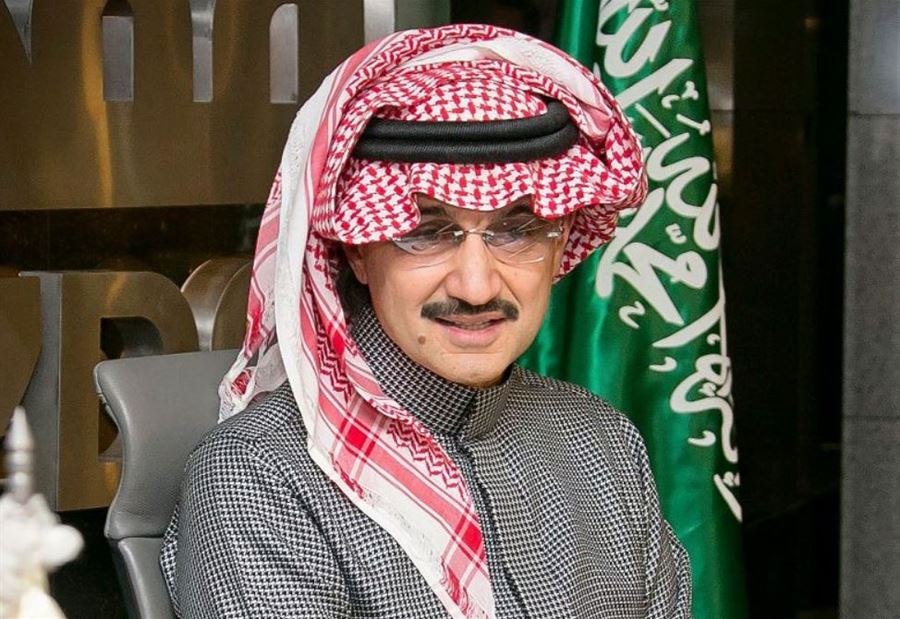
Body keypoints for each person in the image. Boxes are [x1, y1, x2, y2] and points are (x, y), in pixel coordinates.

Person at [160, 24, 692, 619]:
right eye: (426, 233)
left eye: (517, 230)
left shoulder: (604, 444)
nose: (476, 287)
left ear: (561, 241)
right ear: (356, 250)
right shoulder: (261, 475)